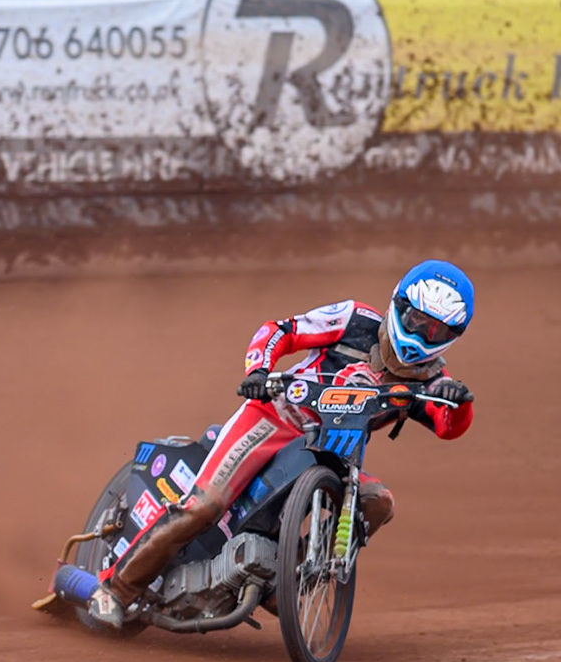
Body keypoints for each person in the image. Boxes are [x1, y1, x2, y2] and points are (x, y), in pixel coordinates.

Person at [88, 260, 477, 628]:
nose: (423, 336)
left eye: (437, 332)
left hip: (334, 455)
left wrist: (460, 403)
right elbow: (281, 330)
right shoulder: (354, 319)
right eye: (417, 321)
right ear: (398, 305)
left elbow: (448, 427)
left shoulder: (434, 384)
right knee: (204, 506)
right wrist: (259, 370)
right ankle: (115, 591)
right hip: (271, 420)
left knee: (380, 502)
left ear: (452, 338)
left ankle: (297, 573)